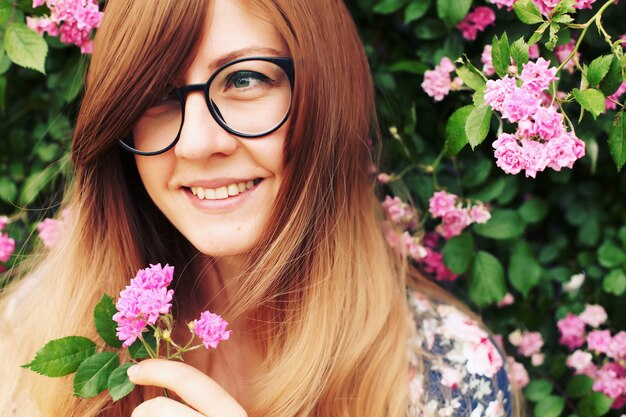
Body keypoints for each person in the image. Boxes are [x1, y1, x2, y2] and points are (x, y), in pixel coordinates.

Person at [0, 0, 520, 416]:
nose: (198, 144)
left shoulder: (445, 375)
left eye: (244, 79)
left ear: (326, 96)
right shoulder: (28, 336)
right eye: (155, 93)